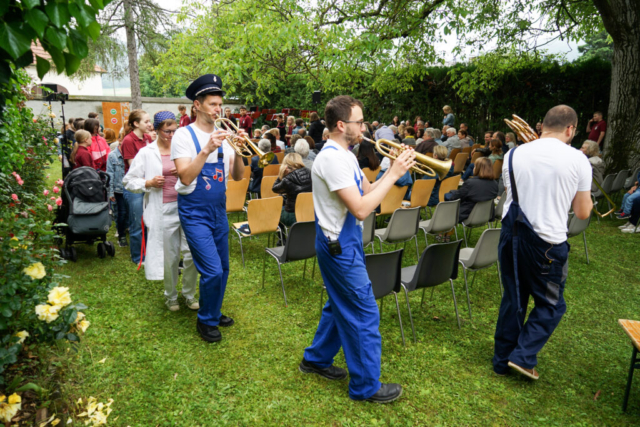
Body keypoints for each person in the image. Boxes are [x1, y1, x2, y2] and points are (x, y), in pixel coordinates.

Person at [300, 95, 415, 403]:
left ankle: (315, 359)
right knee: (363, 311)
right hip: (339, 244)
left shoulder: (346, 154)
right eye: (359, 121)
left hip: (344, 240)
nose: (364, 126)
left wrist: (392, 170)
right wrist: (393, 173)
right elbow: (362, 209)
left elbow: (367, 191)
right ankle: (365, 386)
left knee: (338, 304)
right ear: (341, 125)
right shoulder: (331, 158)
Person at [493, 105, 593, 380]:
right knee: (551, 305)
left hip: (510, 235)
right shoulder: (577, 159)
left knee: (513, 298)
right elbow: (583, 212)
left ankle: (502, 360)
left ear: (543, 126)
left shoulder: (512, 154)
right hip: (547, 242)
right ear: (571, 129)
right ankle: (523, 356)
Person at [171, 74, 246, 343]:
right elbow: (186, 177)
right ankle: (205, 321)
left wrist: (237, 150)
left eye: (220, 105)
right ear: (197, 105)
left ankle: (213, 312)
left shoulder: (225, 136)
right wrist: (206, 149)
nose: (218, 110)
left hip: (218, 209)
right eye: (213, 104)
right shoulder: (183, 135)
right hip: (194, 211)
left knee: (223, 268)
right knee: (212, 270)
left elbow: (237, 177)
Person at [124, 111, 199, 312]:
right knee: (171, 255)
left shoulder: (185, 149)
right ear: (156, 130)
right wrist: (148, 182)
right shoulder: (147, 153)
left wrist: (185, 170)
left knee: (192, 253)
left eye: (174, 131)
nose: (172, 135)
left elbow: (198, 171)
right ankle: (171, 296)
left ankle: (189, 293)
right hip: (164, 208)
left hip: (189, 206)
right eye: (167, 131)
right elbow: (128, 181)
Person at [120, 109, 153, 265]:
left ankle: (149, 252)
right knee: (137, 223)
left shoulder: (148, 138)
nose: (150, 124)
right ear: (135, 123)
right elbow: (133, 165)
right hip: (136, 186)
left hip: (148, 184)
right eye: (146, 121)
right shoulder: (128, 140)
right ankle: (139, 257)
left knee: (149, 221)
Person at [444, 157, 498, 222]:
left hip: (468, 214)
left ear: (478, 169)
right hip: (486, 214)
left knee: (448, 196)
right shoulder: (495, 184)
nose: (473, 168)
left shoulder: (470, 183)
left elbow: (455, 198)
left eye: (475, 166)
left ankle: (445, 227)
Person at [272, 153, 312, 227]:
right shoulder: (310, 172)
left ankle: (282, 238)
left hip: (292, 215)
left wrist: (281, 176)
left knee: (276, 211)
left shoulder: (287, 179)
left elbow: (274, 189)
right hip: (310, 212)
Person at [106, 139, 128, 247]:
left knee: (131, 211)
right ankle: (121, 235)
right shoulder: (112, 156)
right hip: (119, 189)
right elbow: (109, 174)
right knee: (121, 212)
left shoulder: (133, 152)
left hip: (131, 187)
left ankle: (128, 229)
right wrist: (110, 192)